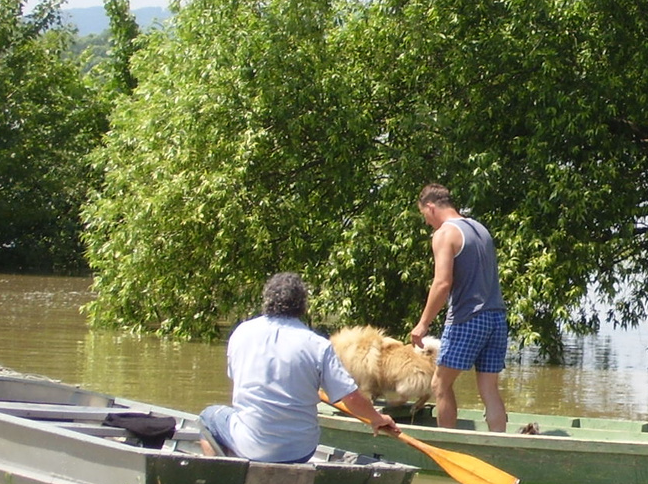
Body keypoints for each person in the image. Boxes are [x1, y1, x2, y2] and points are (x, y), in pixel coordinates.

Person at [199, 272, 403, 461]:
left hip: (251, 446)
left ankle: (224, 472)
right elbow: (351, 398)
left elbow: (238, 379)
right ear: (303, 306)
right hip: (300, 451)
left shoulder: (241, 333)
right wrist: (376, 418)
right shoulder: (318, 345)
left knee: (208, 417)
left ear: (266, 300)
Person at [409, 184, 508, 432]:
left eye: (424, 215)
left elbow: (442, 283)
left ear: (430, 207)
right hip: (496, 318)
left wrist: (423, 324)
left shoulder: (445, 233)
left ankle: (448, 447)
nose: (427, 222)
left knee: (439, 385)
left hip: (467, 318)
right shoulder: (480, 229)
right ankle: (499, 447)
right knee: (489, 389)